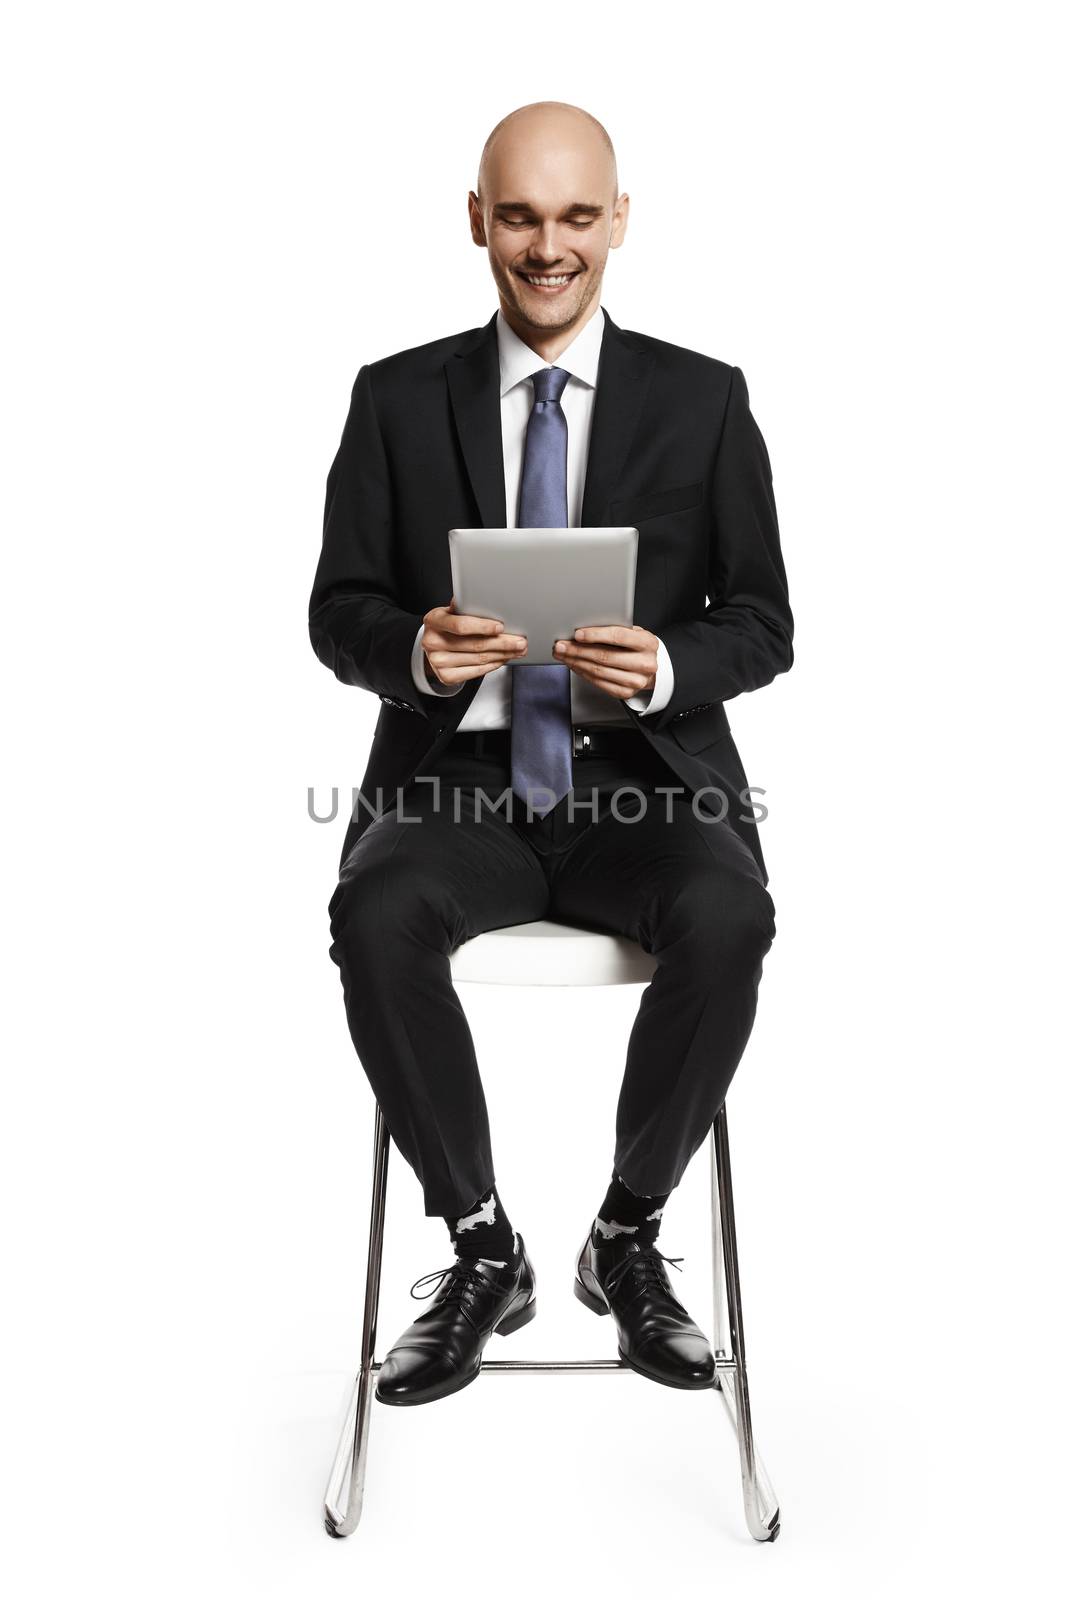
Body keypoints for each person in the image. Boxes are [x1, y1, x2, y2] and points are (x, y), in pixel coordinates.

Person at [308, 100, 793, 1406]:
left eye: (577, 215)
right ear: (480, 221)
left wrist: (673, 662)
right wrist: (416, 646)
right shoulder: (396, 398)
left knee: (728, 913)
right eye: (520, 214)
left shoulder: (703, 401)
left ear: (618, 222)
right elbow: (336, 611)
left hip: (642, 785)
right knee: (376, 906)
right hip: (459, 782)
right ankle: (481, 1247)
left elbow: (765, 620)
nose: (548, 245)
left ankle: (626, 1235)